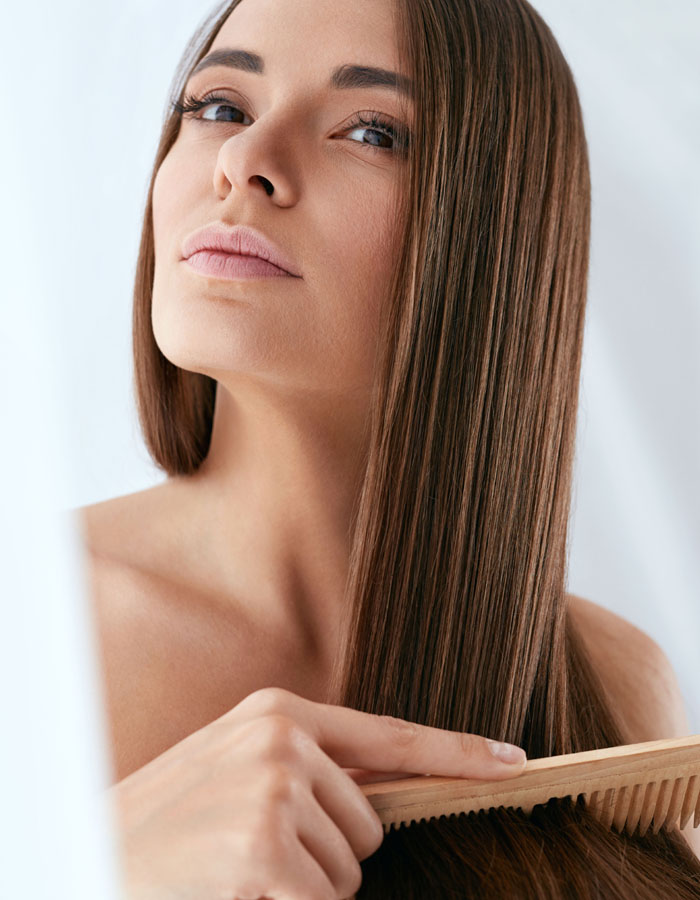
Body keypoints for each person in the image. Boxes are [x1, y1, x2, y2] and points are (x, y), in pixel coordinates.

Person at [77, 0, 700, 896]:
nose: (244, 162)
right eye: (220, 107)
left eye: (370, 130)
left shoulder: (611, 683)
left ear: (496, 238)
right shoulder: (35, 627)